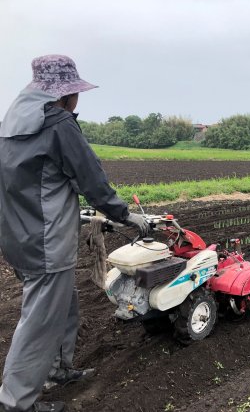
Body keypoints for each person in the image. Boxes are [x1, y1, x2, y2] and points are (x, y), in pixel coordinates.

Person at [0, 55, 149, 412]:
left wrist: (71, 209)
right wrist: (125, 215)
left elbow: (36, 182)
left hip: (17, 234)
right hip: (46, 242)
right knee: (39, 322)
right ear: (65, 94)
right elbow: (91, 178)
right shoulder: (58, 123)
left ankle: (58, 369)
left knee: (63, 305)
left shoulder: (11, 123)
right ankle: (16, 403)